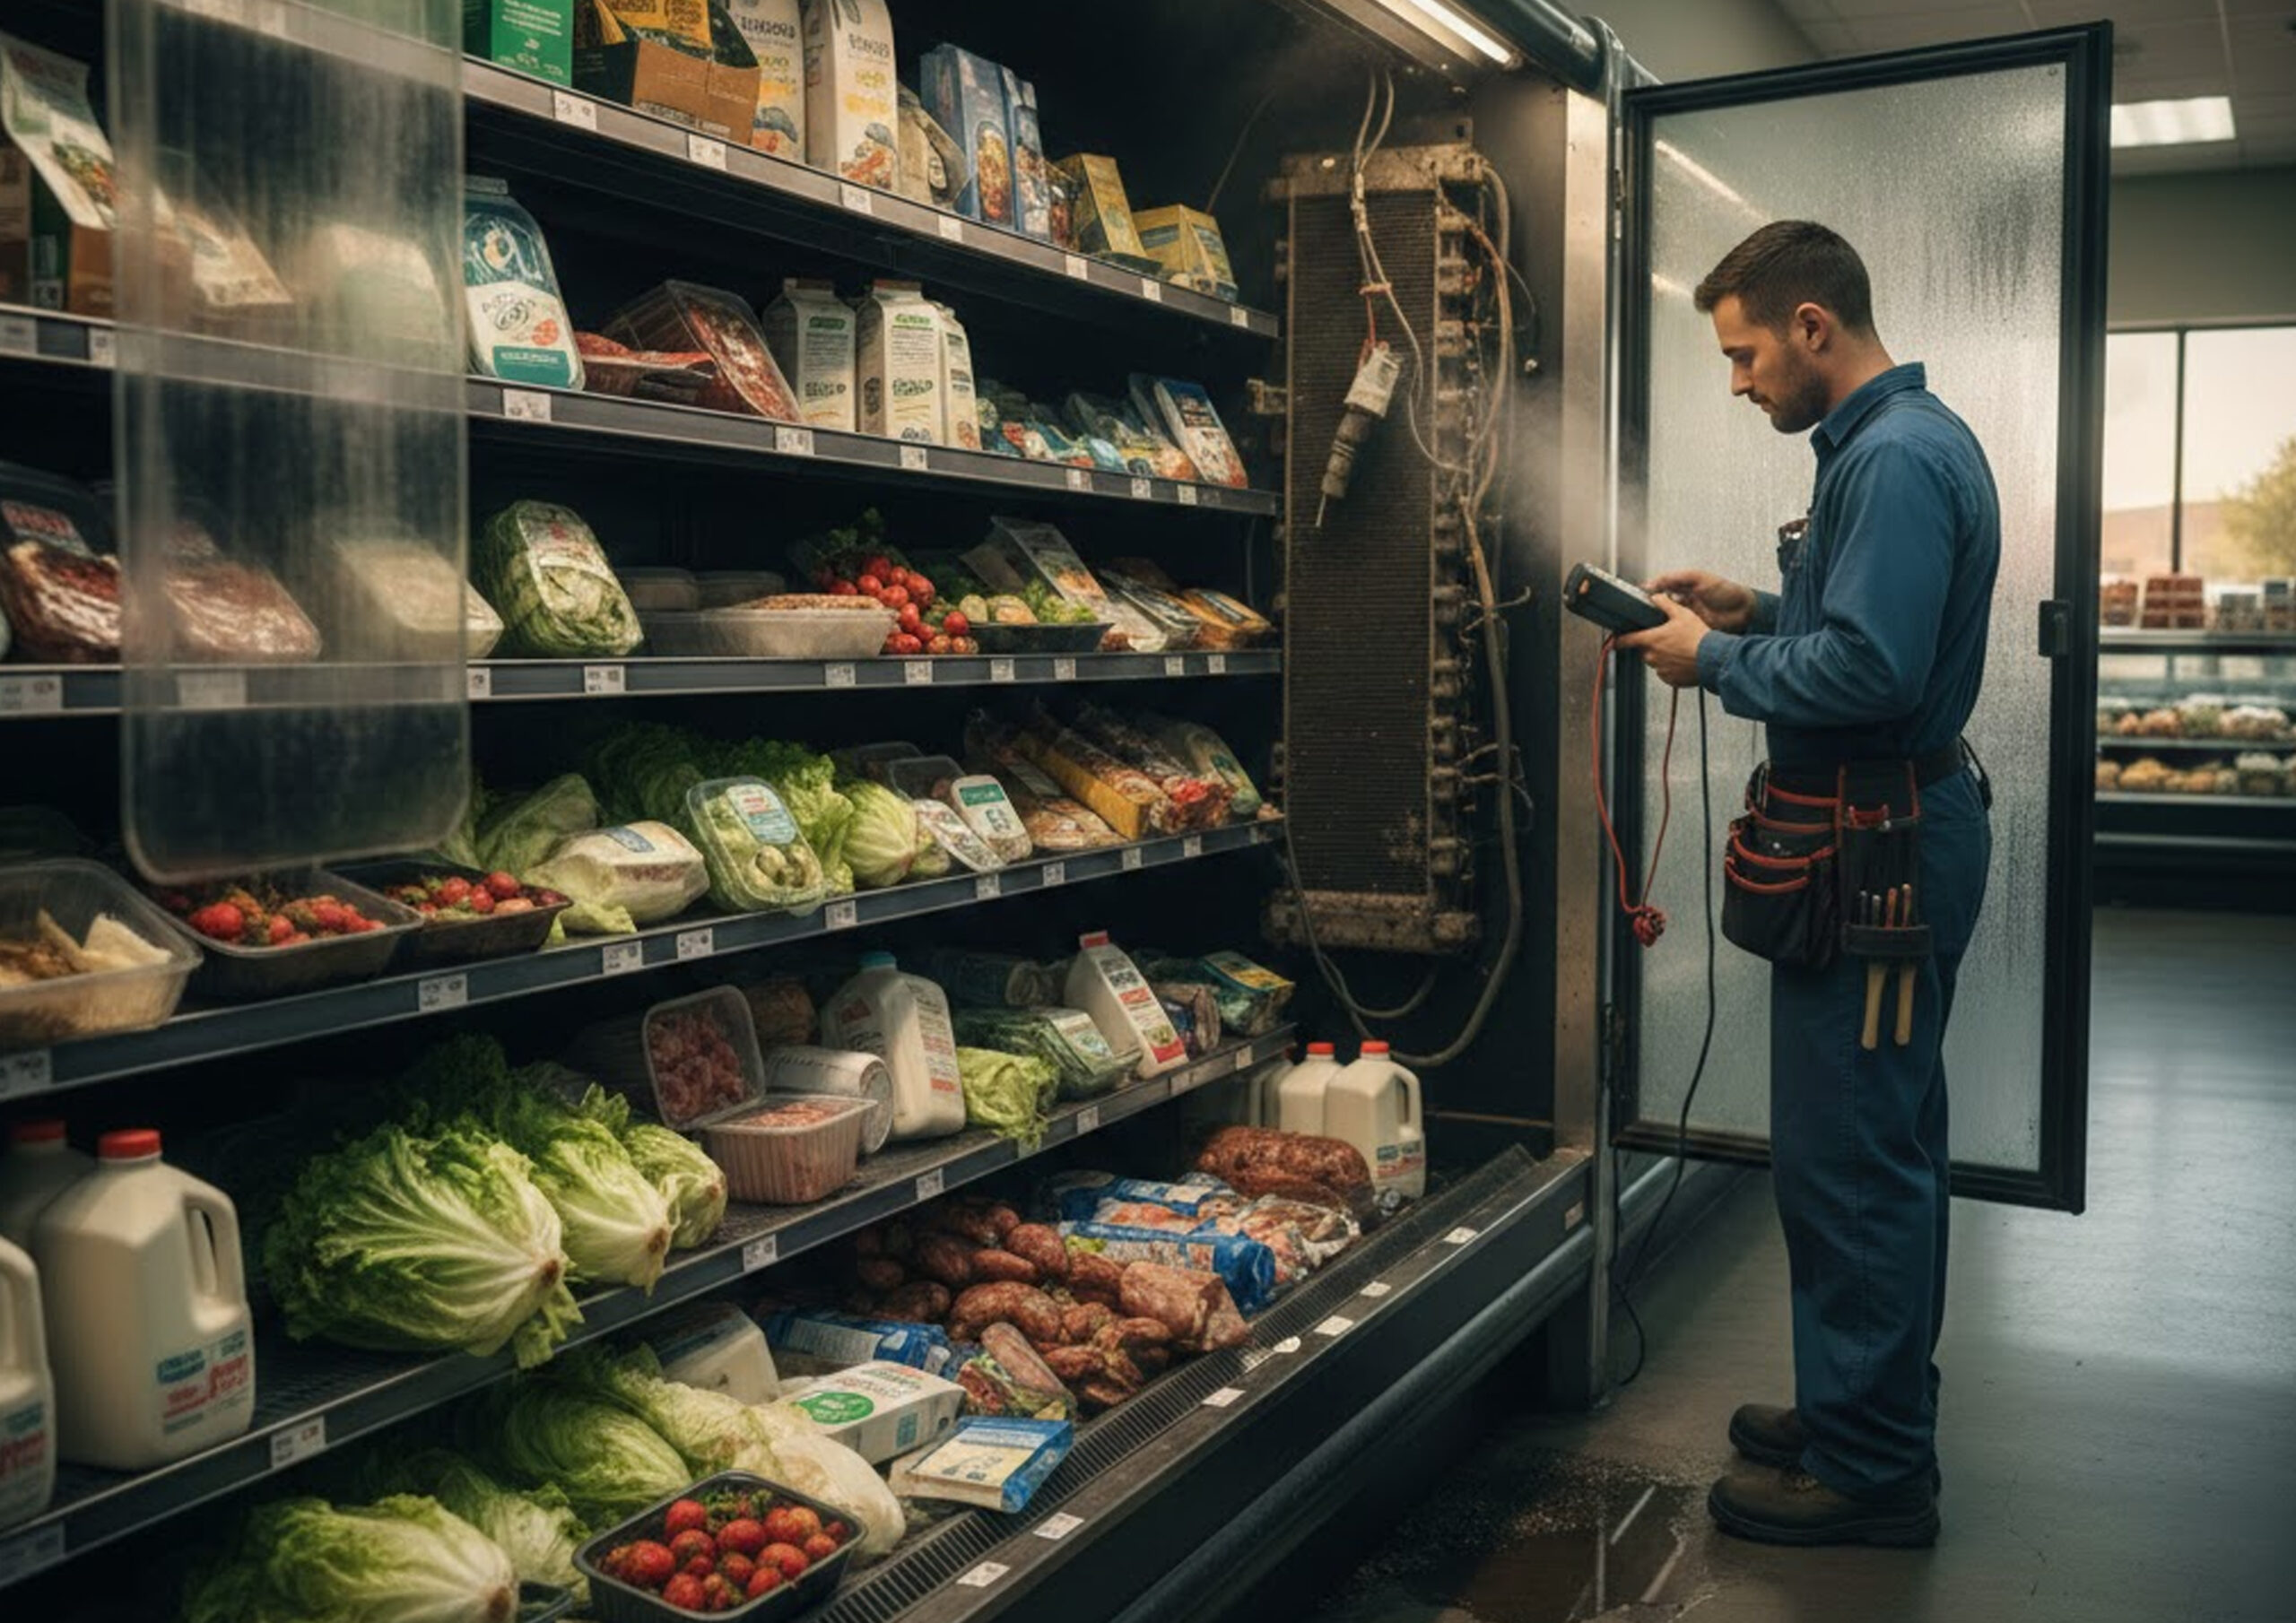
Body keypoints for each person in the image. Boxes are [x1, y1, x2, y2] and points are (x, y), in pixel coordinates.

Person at [1620, 220, 1998, 1549]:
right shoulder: (1897, 445)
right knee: (1875, 1147)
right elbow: (1849, 634)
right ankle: (1862, 1404)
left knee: (1850, 1164)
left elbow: (1875, 676)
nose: (1738, 382)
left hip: (1875, 857)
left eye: (1744, 354)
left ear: (1813, 327)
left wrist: (1706, 666)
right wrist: (1747, 612)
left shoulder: (1893, 460)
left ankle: (1876, 1468)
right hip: (1890, 837)